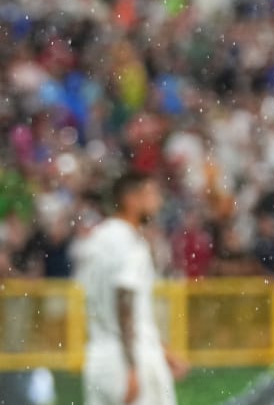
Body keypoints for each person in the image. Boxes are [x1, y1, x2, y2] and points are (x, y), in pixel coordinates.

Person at [75, 173, 186, 405]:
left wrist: (164, 352)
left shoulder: (96, 239)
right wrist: (133, 367)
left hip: (98, 358)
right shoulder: (131, 243)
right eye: (152, 194)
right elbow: (123, 300)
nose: (158, 202)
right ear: (131, 200)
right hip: (130, 358)